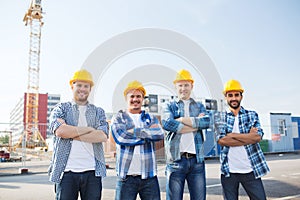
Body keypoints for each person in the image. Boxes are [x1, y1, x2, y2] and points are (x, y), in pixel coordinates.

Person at [48, 69, 109, 200]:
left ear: (90, 89)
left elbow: (102, 136)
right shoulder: (61, 109)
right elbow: (60, 131)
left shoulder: (98, 112)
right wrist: (89, 129)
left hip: (92, 173)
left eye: (86, 86)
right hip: (66, 174)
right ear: (72, 86)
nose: (82, 89)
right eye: (79, 85)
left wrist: (71, 132)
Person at [161, 69, 210, 200]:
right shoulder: (169, 106)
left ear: (191, 86)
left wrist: (181, 120)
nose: (183, 88)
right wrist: (196, 125)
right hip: (176, 161)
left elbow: (207, 121)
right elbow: (167, 123)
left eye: (186, 85)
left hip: (197, 161)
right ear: (175, 87)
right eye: (180, 85)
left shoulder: (200, 106)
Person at [111, 80, 164, 200]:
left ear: (143, 98)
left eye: (138, 96)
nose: (135, 99)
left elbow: (160, 134)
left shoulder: (150, 117)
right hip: (126, 178)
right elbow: (121, 138)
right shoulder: (119, 117)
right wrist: (147, 136)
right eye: (132, 96)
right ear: (126, 98)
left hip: (149, 177)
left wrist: (133, 132)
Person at [217, 79, 270, 200]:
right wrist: (248, 137)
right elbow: (221, 141)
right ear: (226, 97)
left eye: (236, 95)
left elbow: (257, 137)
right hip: (229, 172)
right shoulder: (220, 117)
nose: (233, 98)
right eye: (230, 95)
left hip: (251, 170)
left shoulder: (252, 115)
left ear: (241, 96)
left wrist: (231, 135)